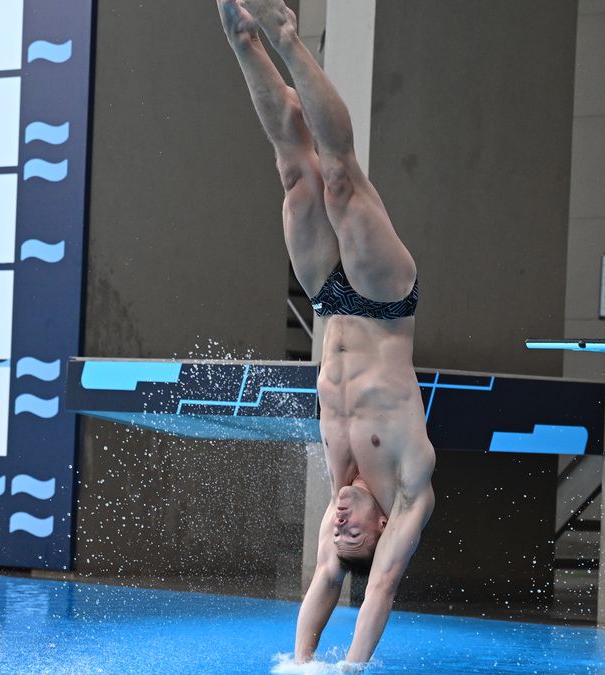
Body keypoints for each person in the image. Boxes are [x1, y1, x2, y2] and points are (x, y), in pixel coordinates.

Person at [218, 0, 436, 667]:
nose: (339, 522)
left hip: (326, 301)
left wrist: (302, 662)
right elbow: (383, 587)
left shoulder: (339, 498)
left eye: (337, 531)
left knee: (295, 173)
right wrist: (350, 668)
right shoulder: (410, 482)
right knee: (339, 177)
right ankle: (289, 37)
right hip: (382, 301)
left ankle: (243, 39)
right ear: (381, 528)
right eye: (353, 531)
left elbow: (325, 580)